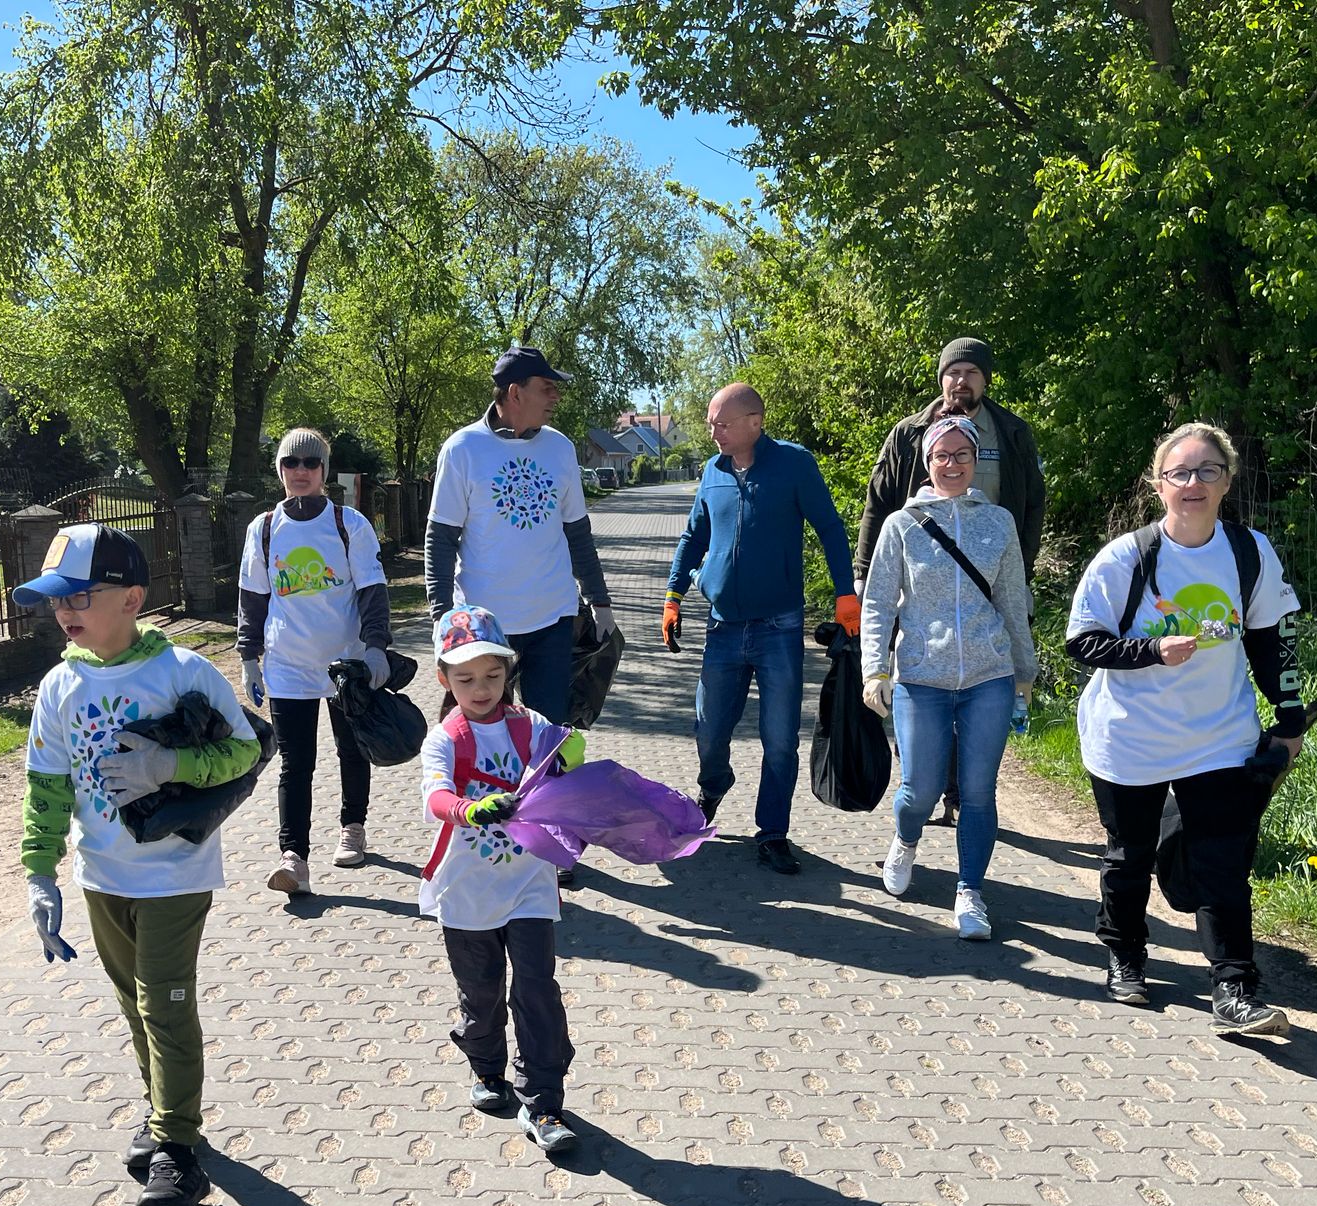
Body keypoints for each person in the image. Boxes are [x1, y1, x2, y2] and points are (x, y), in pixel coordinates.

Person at [16, 524, 262, 1206]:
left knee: (164, 1005)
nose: (63, 610)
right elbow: (46, 786)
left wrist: (170, 764)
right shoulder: (58, 686)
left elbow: (244, 751)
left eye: (78, 596)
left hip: (174, 875)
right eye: (55, 599)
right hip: (102, 877)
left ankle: (178, 1150)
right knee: (133, 1005)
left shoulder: (182, 671)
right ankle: (160, 1111)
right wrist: (40, 872)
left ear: (130, 599)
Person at [1065, 422, 1307, 1034]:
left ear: (1227, 481)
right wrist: (1151, 651)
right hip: (1130, 736)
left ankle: (1235, 989)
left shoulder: (1249, 552)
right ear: (1159, 484)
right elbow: (1083, 641)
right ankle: (1125, 955)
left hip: (1218, 736)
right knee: (1130, 856)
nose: (1193, 483)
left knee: (1221, 861)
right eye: (1180, 472)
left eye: (1207, 471)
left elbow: (1272, 642)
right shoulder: (1126, 557)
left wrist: (1289, 719)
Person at [662, 382, 859, 876]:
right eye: (711, 423)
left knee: (780, 739)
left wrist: (845, 594)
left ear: (755, 422)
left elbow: (830, 528)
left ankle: (772, 831)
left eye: (722, 424)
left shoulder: (794, 464)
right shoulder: (713, 471)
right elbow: (693, 536)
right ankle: (713, 784)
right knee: (709, 729)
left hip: (779, 627)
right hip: (723, 626)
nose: (714, 432)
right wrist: (673, 596)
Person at [859, 413, 1036, 940]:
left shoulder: (998, 523)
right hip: (921, 676)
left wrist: (1024, 671)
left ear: (976, 460)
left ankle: (970, 892)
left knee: (978, 791)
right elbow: (878, 602)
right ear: (928, 461)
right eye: (942, 455)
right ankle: (906, 841)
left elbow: (1013, 600)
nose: (952, 464)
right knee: (920, 788)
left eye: (962, 455)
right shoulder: (902, 525)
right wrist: (875, 668)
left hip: (989, 675)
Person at [418, 604, 587, 1155]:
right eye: (466, 678)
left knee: (537, 990)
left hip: (530, 885)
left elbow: (563, 754)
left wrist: (569, 755)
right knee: (481, 990)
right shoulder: (444, 739)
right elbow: (436, 797)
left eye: (493, 674)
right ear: (444, 678)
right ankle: (487, 1068)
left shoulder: (528, 724)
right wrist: (469, 810)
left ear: (508, 670)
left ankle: (544, 1102)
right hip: (466, 890)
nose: (481, 688)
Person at [858, 337, 1047, 823]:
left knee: (982, 680)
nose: (961, 381)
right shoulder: (908, 433)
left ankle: (964, 794)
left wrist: (1019, 568)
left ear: (985, 380)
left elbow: (1033, 502)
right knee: (923, 682)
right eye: (953, 372)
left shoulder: (1012, 432)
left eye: (971, 373)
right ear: (941, 378)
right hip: (923, 580)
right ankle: (927, 785)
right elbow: (879, 502)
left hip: (991, 578)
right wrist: (865, 572)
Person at [237, 427, 394, 898]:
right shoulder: (264, 528)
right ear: (279, 470)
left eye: (311, 463)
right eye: (291, 463)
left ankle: (353, 826)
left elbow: (372, 589)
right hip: (288, 666)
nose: (300, 471)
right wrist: (248, 656)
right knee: (295, 763)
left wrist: (375, 646)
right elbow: (252, 598)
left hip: (345, 663)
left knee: (352, 749)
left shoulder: (349, 524)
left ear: (324, 470)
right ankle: (294, 858)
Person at [425, 345, 616, 726]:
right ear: (515, 392)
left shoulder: (560, 448)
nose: (555, 396)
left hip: (553, 619)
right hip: (483, 625)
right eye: (547, 387)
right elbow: (441, 538)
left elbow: (578, 534)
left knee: (549, 735)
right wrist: (441, 616)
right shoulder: (463, 449)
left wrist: (600, 600)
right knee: (482, 733)